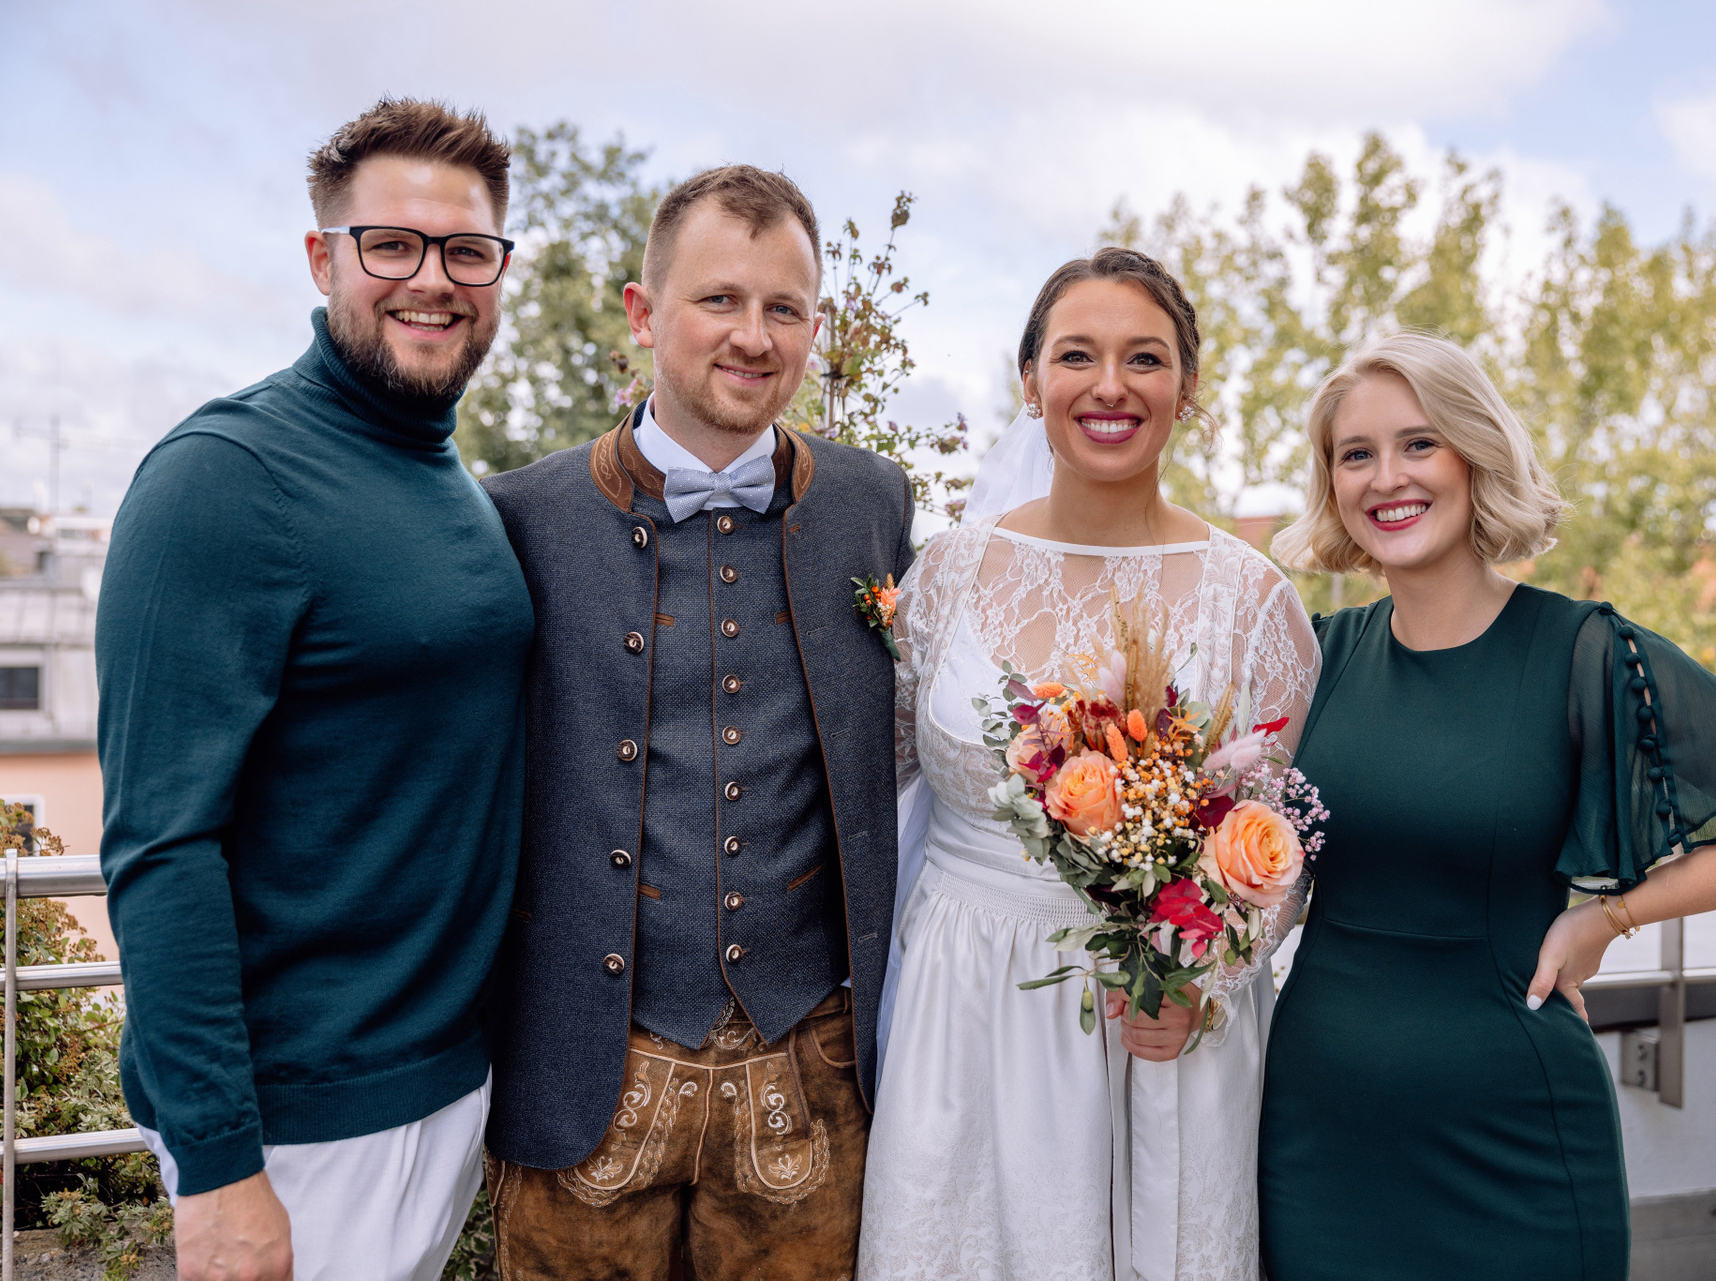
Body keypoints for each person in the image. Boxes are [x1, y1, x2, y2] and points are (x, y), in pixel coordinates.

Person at [1257, 332, 1716, 1279]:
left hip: (1518, 1142)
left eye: (1419, 443)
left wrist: (1610, 918)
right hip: (1321, 1134)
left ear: (1475, 453)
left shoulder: (1581, 653)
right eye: (1356, 454)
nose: (1387, 478)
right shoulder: (1317, 656)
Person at [96, 99, 534, 1280]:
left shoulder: (449, 480)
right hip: (298, 1128)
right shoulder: (222, 478)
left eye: (467, 250)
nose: (431, 279)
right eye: (391, 244)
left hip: (441, 1086)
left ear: (499, 270)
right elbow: (160, 843)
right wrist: (218, 1166)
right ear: (321, 256)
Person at [477, 165, 914, 1280]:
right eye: (719, 299)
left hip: (810, 1079)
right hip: (583, 1075)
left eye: (784, 308)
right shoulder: (520, 516)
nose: (753, 336)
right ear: (642, 313)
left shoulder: (875, 504)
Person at [858, 247, 1320, 1281]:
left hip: (1156, 1027)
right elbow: (871, 792)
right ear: (1030, 381)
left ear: (1186, 389)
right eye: (1077, 355)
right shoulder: (946, 575)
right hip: (962, 1010)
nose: (1110, 385)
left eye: (1144, 358)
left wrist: (1203, 977)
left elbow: (1280, 856)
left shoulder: (1254, 602)